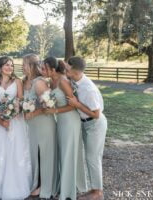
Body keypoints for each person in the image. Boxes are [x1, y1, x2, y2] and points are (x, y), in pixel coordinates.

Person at [0, 56, 32, 200]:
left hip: (15, 121)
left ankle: (14, 183)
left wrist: (11, 114)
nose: (10, 67)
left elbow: (20, 101)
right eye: (6, 65)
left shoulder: (17, 81)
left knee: (14, 151)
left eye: (11, 65)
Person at [43, 56, 86, 200]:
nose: (42, 71)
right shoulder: (51, 81)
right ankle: (64, 184)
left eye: (44, 68)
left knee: (68, 153)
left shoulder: (63, 81)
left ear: (52, 69)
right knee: (63, 153)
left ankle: (67, 191)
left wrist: (54, 111)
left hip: (70, 120)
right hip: (61, 120)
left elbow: (73, 104)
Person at [66, 56, 107, 200]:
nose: (65, 68)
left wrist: (77, 105)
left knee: (92, 158)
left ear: (74, 71)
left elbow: (96, 114)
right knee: (89, 157)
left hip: (95, 124)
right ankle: (94, 189)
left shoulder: (88, 89)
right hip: (85, 122)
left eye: (67, 67)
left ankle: (98, 192)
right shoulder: (76, 78)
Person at [22, 54, 58, 198]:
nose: (22, 67)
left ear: (31, 66)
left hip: (44, 123)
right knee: (35, 154)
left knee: (43, 154)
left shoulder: (39, 83)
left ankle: (44, 186)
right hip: (32, 125)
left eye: (24, 64)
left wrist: (34, 113)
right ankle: (36, 182)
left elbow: (49, 105)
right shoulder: (26, 81)